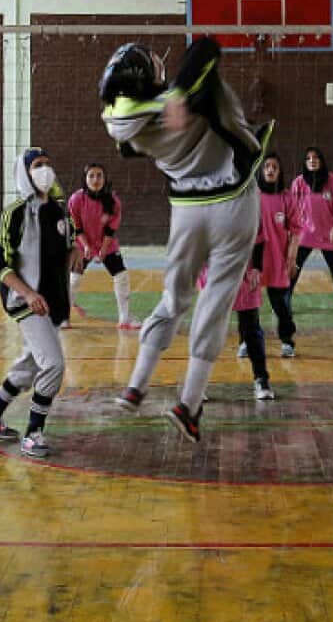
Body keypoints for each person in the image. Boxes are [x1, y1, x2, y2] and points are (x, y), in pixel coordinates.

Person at [100, 36, 268, 443]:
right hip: (233, 201)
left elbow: (130, 144)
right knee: (216, 299)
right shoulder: (193, 94)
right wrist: (177, 93)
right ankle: (189, 404)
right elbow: (206, 46)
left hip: (186, 210)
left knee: (174, 298)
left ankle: (135, 387)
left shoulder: (125, 128)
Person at [0, 149, 79, 458]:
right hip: (25, 301)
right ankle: (33, 433)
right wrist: (29, 294)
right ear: (24, 173)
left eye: (48, 164)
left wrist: (75, 252)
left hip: (53, 303)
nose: (45, 170)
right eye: (37, 166)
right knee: (54, 365)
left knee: (29, 365)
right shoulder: (14, 214)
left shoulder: (60, 212)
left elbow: (67, 244)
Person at [200, 229, 275, 400]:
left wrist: (256, 267)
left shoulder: (247, 205)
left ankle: (261, 379)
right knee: (208, 331)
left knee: (251, 329)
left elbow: (260, 236)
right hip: (213, 273)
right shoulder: (206, 205)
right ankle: (198, 384)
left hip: (244, 273)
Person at [238, 153, 299, 358]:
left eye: (274, 167)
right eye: (266, 167)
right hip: (252, 262)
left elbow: (296, 231)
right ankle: (246, 341)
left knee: (281, 305)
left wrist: (292, 258)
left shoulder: (286, 197)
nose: (270, 170)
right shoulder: (252, 196)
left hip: (276, 260)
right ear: (261, 172)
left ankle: (287, 340)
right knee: (248, 306)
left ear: (280, 172)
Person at [67, 162, 141, 330]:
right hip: (82, 244)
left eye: (99, 175)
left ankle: (125, 318)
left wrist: (104, 250)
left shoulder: (113, 200)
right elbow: (76, 227)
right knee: (73, 279)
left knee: (121, 276)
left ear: (104, 178)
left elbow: (110, 229)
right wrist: (86, 247)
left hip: (106, 245)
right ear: (84, 179)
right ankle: (63, 317)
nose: (95, 179)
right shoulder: (76, 199)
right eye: (91, 175)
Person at [290, 147, 333, 312]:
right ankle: (283, 301)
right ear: (305, 162)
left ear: (321, 161)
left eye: (316, 157)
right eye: (309, 158)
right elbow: (291, 209)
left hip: (329, 233)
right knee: (293, 267)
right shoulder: (298, 182)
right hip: (305, 232)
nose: (312, 160)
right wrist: (291, 233)